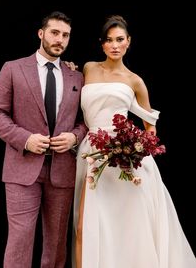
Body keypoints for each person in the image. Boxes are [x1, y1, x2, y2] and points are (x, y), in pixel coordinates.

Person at [72, 15, 196, 268]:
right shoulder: (88, 68)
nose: (114, 45)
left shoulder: (134, 80)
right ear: (102, 44)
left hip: (124, 157)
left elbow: (150, 124)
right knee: (88, 222)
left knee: (129, 221)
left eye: (119, 39)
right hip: (92, 152)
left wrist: (136, 149)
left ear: (128, 42)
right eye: (108, 40)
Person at [0, 11, 88, 268]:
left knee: (55, 244)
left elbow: (87, 121)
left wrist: (74, 138)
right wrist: (26, 139)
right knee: (20, 241)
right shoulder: (12, 68)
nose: (60, 40)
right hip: (21, 169)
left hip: (63, 171)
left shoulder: (76, 76)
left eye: (65, 35)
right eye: (55, 33)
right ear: (41, 33)